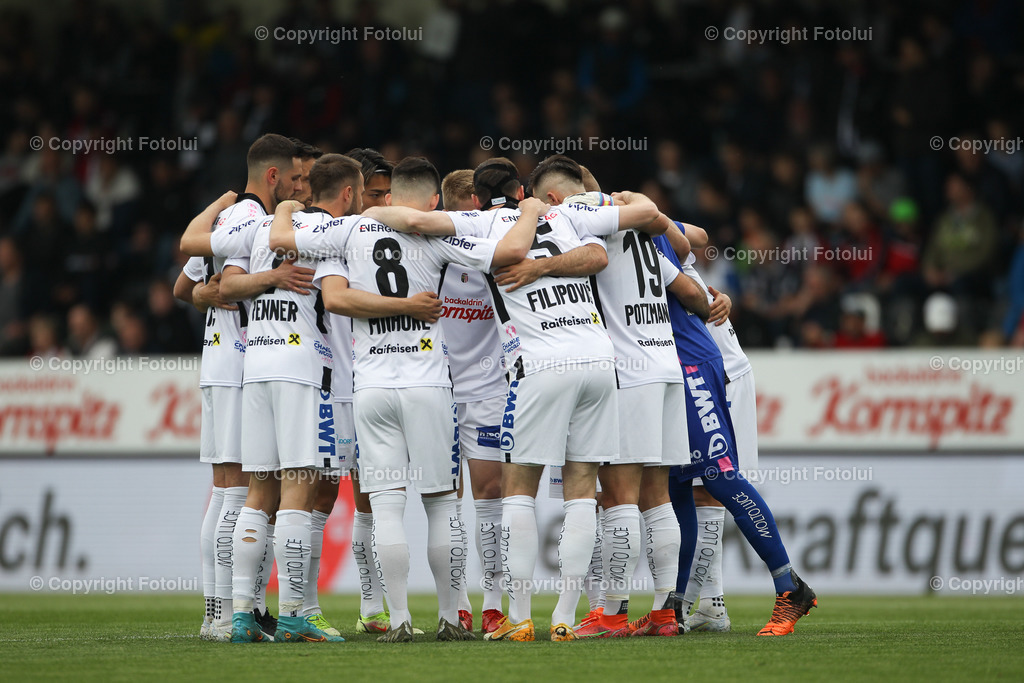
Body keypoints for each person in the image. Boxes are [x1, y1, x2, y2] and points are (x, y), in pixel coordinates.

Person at [272, 156, 538, 642]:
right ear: (435, 202)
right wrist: (529, 211)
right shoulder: (438, 237)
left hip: (371, 386)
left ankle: (396, 620)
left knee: (387, 507)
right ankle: (448, 617)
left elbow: (285, 244)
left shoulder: (348, 232)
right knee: (441, 506)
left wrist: (289, 206)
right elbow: (508, 251)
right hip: (428, 385)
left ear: (390, 196)